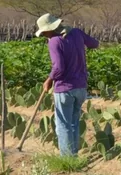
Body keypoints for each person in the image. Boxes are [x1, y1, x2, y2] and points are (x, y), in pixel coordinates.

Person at [35, 13, 99, 156]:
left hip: (64, 89)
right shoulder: (76, 32)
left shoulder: (54, 41)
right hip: (81, 88)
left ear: (51, 29)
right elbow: (94, 44)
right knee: (74, 123)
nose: (45, 35)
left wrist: (49, 80)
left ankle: (66, 158)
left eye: (45, 32)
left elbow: (58, 67)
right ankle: (73, 155)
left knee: (63, 125)